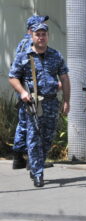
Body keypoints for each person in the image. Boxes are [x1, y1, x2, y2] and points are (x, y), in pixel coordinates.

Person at [8, 23, 71, 187]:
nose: (41, 37)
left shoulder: (56, 55)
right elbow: (13, 77)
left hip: (51, 102)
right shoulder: (24, 56)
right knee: (34, 137)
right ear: (32, 36)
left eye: (44, 34)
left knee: (48, 139)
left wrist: (66, 101)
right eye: (38, 34)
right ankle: (37, 172)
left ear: (47, 36)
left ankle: (36, 164)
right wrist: (22, 92)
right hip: (33, 103)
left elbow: (64, 78)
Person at [12, 15, 49, 170]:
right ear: (31, 30)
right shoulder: (29, 44)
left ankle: (19, 156)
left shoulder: (22, 43)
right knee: (32, 123)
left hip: (23, 88)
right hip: (28, 89)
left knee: (24, 122)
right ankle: (29, 159)